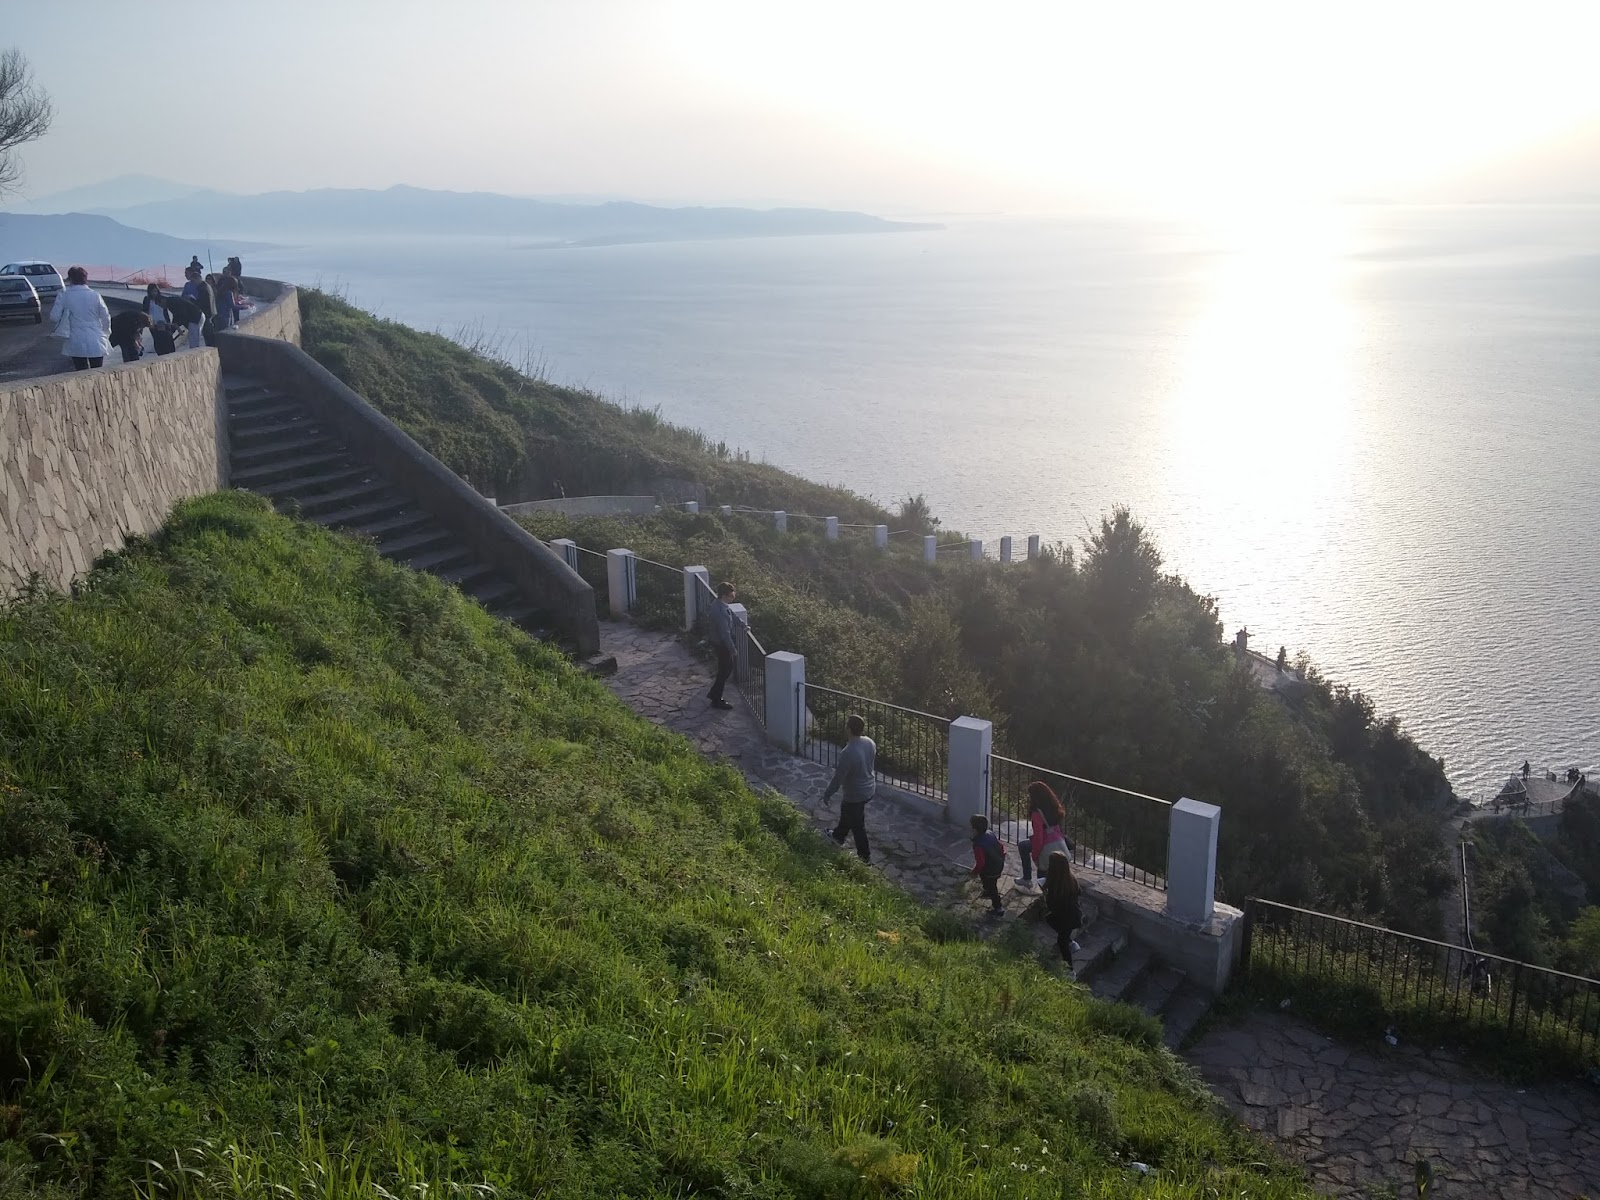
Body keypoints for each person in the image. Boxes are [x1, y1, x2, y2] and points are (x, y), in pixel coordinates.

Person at [823, 713, 876, 863]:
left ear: (849, 729)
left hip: (855, 794)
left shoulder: (848, 752)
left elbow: (838, 778)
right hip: (870, 788)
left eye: (846, 725)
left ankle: (864, 857)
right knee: (848, 811)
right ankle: (838, 836)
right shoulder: (869, 742)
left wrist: (827, 794)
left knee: (857, 825)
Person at [50, 267, 112, 370]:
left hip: (75, 339)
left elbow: (54, 317)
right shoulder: (95, 295)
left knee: (80, 371)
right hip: (96, 338)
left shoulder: (64, 296)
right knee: (97, 371)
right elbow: (106, 317)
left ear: (70, 279)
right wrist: (105, 333)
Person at [1016, 780, 1073, 890]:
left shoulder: (1037, 814)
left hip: (1046, 845)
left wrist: (1035, 855)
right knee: (1024, 846)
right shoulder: (1055, 807)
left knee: (1042, 875)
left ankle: (1028, 880)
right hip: (1057, 842)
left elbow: (1039, 838)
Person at [1042, 850, 1083, 966]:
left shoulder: (1055, 888)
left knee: (1062, 943)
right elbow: (1079, 892)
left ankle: (1070, 970)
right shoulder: (1071, 879)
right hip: (1075, 914)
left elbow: (1051, 905)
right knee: (1051, 921)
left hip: (1065, 919)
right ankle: (1070, 941)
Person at [706, 581, 737, 710]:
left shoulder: (720, 604)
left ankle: (714, 694)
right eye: (731, 595)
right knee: (725, 670)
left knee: (726, 670)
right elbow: (725, 634)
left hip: (720, 643)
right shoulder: (719, 612)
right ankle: (716, 699)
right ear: (724, 595)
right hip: (722, 644)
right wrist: (733, 649)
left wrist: (742, 624)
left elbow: (732, 614)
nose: (733, 596)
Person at [970, 813, 1005, 915]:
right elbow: (1001, 846)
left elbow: (981, 863)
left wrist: (974, 871)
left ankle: (998, 908)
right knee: (986, 879)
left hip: (990, 869)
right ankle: (986, 891)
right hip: (998, 863)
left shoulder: (978, 845)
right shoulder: (990, 834)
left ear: (974, 828)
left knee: (992, 887)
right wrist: (1002, 857)